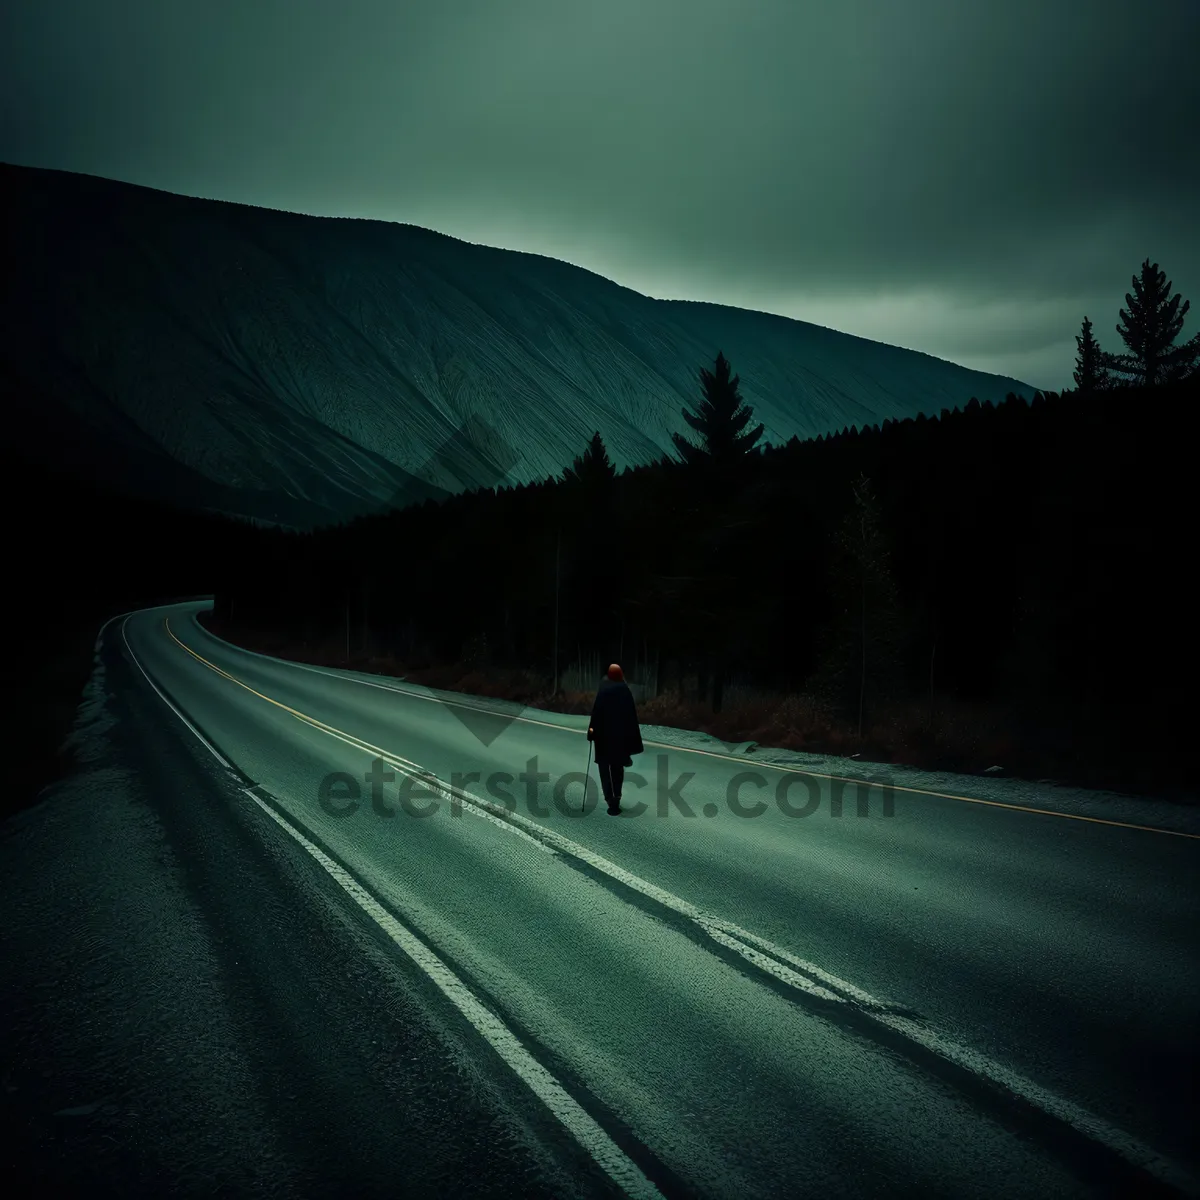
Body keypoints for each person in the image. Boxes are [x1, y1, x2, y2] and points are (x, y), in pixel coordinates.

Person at [587, 663, 644, 815]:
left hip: (603, 737)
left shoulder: (604, 689)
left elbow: (596, 713)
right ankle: (617, 798)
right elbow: (631, 717)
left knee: (604, 768)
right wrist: (630, 744)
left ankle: (609, 798)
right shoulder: (625, 690)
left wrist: (591, 732)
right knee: (617, 768)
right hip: (619, 737)